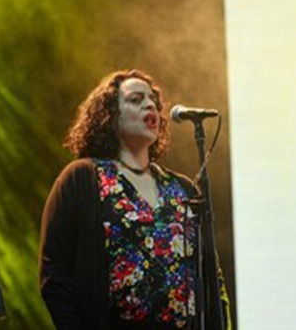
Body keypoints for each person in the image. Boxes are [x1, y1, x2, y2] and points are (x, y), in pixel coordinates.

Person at [39, 69, 231, 330]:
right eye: (135, 99)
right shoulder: (82, 179)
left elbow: (212, 279)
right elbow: (55, 276)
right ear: (110, 115)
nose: (149, 104)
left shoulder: (183, 189)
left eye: (152, 100)